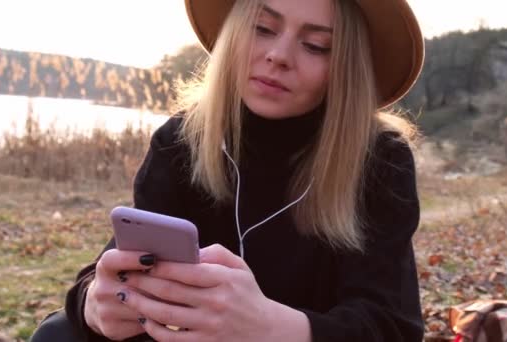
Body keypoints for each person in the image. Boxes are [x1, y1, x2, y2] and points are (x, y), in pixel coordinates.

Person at [31, 0, 426, 340]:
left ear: (346, 65)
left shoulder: (379, 160)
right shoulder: (182, 140)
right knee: (58, 333)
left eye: (316, 45)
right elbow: (121, 265)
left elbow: (392, 326)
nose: (278, 55)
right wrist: (94, 303)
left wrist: (275, 329)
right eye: (262, 27)